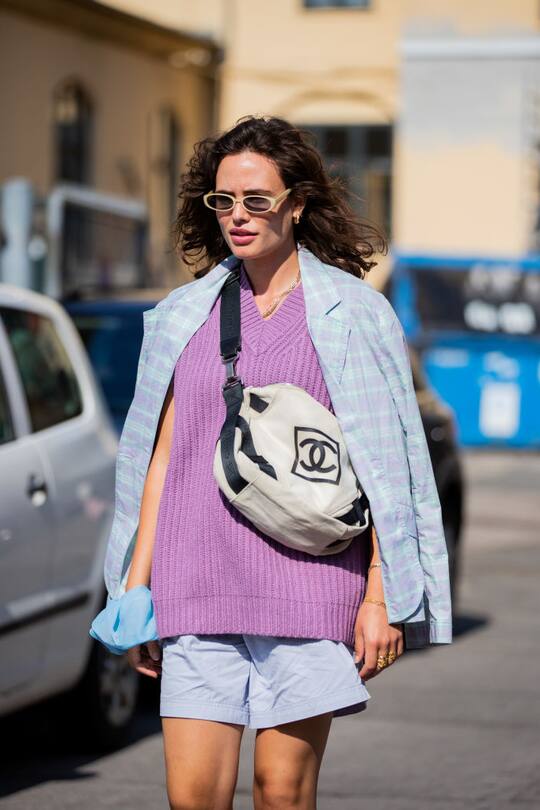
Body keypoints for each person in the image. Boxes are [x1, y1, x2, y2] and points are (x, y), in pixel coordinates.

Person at [97, 115, 452, 810]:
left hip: (313, 585)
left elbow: (386, 468)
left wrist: (379, 598)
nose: (238, 216)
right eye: (223, 200)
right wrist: (133, 592)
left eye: (257, 200)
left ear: (296, 203)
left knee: (280, 791)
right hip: (194, 582)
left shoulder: (353, 314)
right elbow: (162, 458)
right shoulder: (183, 314)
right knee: (192, 797)